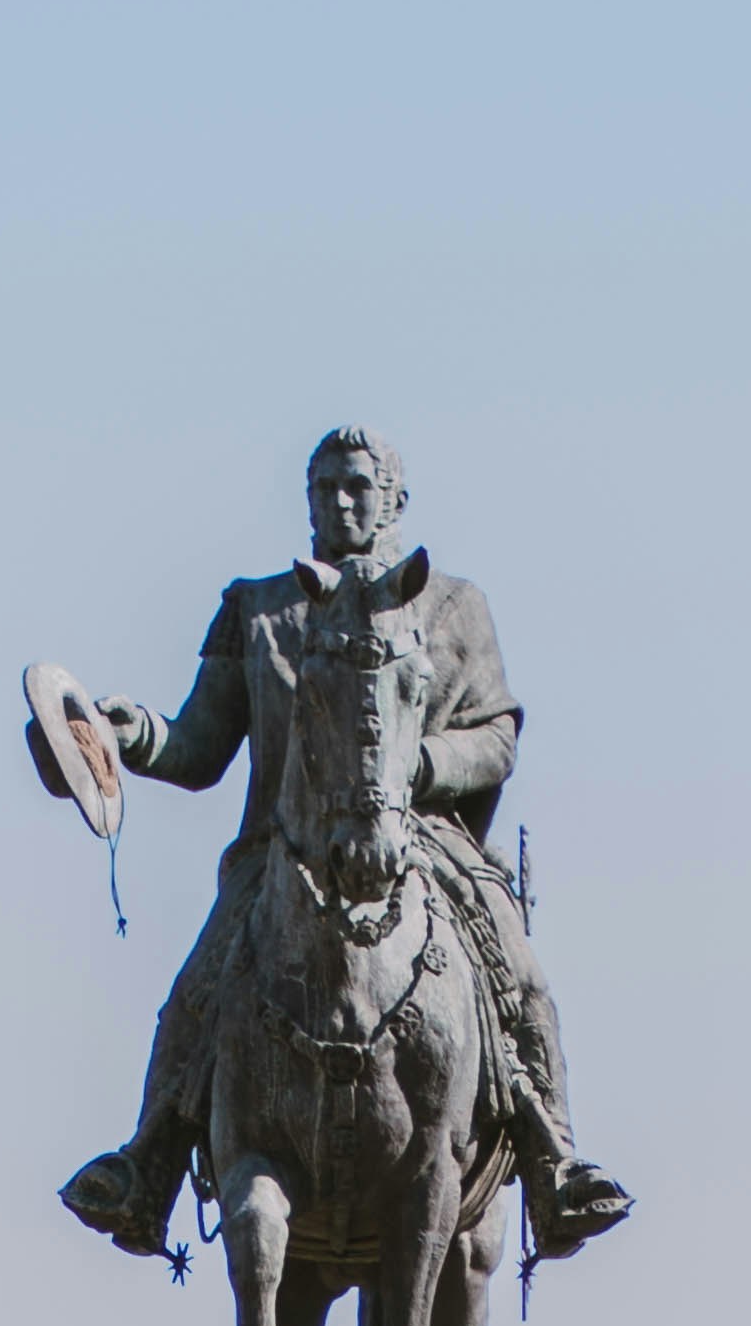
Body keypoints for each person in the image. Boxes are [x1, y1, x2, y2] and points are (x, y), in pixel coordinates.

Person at [55, 427, 634, 1266]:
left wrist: (419, 768)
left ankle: (556, 1160)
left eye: (359, 486)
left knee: (520, 972)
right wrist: (133, 736)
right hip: (281, 859)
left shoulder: (450, 605)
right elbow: (199, 747)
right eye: (324, 487)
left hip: (425, 845)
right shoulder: (260, 609)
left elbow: (497, 738)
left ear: (395, 498)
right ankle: (146, 1165)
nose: (342, 502)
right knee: (199, 982)